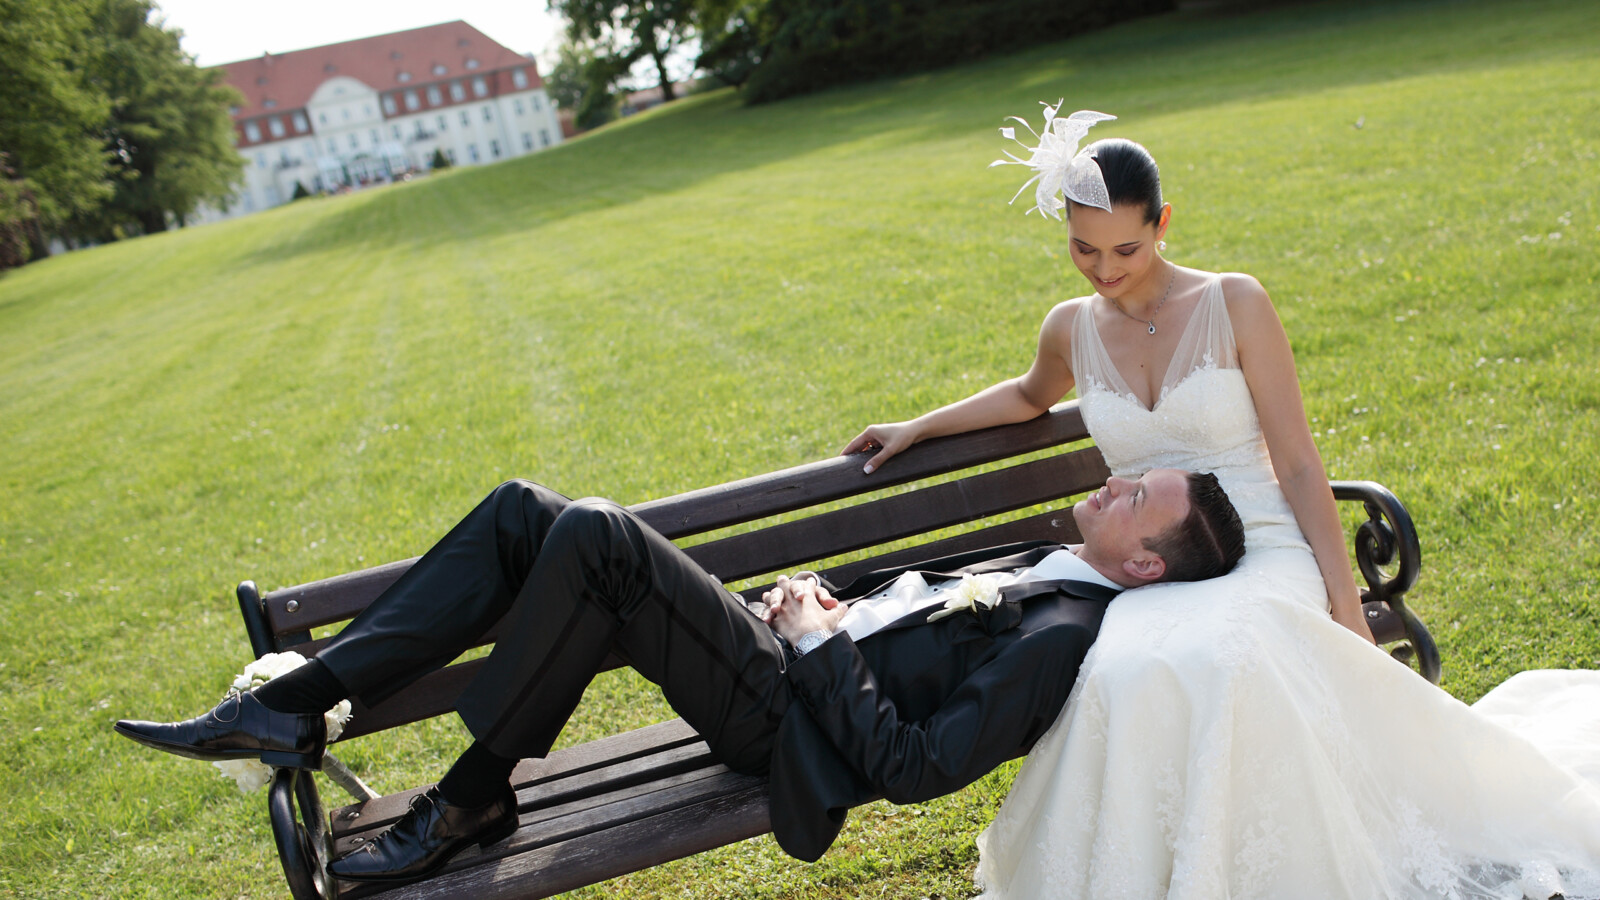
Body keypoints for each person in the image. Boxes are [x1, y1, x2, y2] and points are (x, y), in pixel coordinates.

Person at [844, 106, 1600, 898]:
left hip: (1260, 543)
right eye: (1083, 249)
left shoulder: (1234, 302)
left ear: (1163, 222)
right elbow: (1029, 396)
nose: (1105, 270)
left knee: (1230, 657)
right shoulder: (1070, 328)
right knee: (1122, 670)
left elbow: (1301, 465)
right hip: (1155, 566)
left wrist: (1346, 604)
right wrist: (918, 425)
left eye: (1127, 248)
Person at [115, 467, 1246, 885]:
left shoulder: (1059, 632)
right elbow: (899, 600)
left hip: (788, 725)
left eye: (1139, 498)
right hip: (785, 658)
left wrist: (818, 642)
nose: (1118, 483)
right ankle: (292, 707)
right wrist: (819, 597)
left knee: (600, 537)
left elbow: (919, 771)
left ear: (1143, 563)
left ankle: (464, 793)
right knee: (528, 516)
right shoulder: (1036, 560)